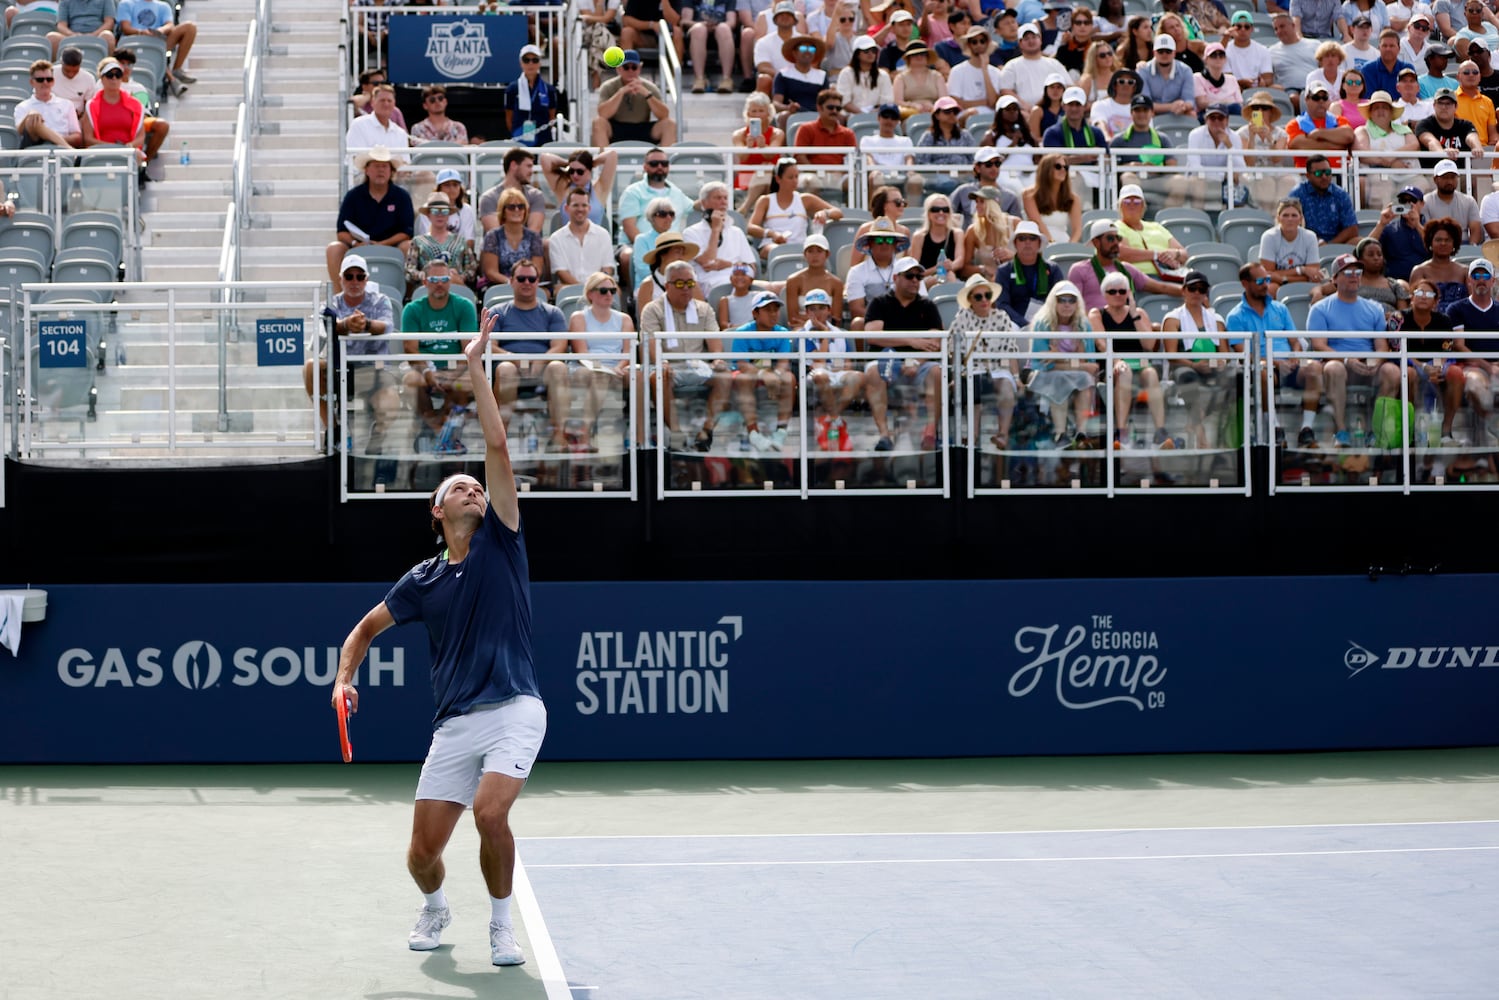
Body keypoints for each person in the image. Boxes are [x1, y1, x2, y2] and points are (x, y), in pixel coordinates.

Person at [330, 305, 543, 970]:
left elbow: (498, 448)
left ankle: (503, 924)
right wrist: (344, 676)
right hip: (454, 723)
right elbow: (363, 630)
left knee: (488, 814)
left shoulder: (502, 545)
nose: (475, 490)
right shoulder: (422, 579)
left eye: (478, 487)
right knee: (421, 853)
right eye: (462, 487)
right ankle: (437, 904)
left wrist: (475, 368)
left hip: (514, 707)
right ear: (436, 508)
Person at [1307, 251, 1403, 445]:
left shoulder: (1374, 308)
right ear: (1334, 279)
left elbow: (1382, 346)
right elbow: (1318, 346)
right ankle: (1341, 432)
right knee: (1334, 368)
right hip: (1338, 364)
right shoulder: (1320, 308)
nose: (1354, 276)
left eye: (1357, 272)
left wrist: (1375, 362)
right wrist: (1347, 360)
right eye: (1348, 272)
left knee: (1392, 371)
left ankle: (1375, 432)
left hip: (1367, 366)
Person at [303, 253, 398, 440]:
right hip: (340, 370)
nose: (354, 281)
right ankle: (333, 429)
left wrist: (366, 324)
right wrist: (346, 325)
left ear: (366, 279)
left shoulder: (381, 300)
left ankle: (378, 435)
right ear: (340, 279)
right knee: (311, 367)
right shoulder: (330, 304)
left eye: (360, 276)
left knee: (390, 402)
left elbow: (387, 326)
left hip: (374, 370)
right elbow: (325, 328)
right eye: (349, 276)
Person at [1223, 261, 1319, 446]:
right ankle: (1274, 428)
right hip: (1264, 366)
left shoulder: (1281, 308)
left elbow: (1295, 342)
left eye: (1267, 279)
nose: (1266, 284)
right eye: (1260, 280)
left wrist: (1293, 357)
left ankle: (1306, 430)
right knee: (1263, 371)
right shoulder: (1235, 317)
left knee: (1314, 367)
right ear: (1245, 283)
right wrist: (1277, 363)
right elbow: (1244, 355)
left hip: (1291, 365)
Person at [640, 259, 730, 450]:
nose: (686, 288)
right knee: (658, 376)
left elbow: (715, 342)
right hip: (669, 365)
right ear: (667, 285)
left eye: (690, 283)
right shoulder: (652, 309)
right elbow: (653, 344)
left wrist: (717, 359)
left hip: (697, 365)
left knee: (725, 374)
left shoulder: (703, 308)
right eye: (680, 283)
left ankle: (705, 433)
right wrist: (662, 362)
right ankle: (677, 434)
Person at [487, 259, 573, 447]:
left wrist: (540, 362)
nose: (527, 283)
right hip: (508, 367)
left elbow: (560, 345)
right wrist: (516, 360)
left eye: (532, 279)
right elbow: (490, 345)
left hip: (542, 369)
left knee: (558, 367)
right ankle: (501, 437)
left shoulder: (553, 312)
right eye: (521, 278)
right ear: (511, 281)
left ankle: (559, 435)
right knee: (507, 370)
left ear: (538, 282)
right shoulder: (497, 312)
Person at [863, 256, 945, 451]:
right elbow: (872, 336)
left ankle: (931, 433)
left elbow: (936, 342)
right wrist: (911, 341)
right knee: (873, 371)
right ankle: (884, 435)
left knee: (935, 371)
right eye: (910, 276)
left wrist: (915, 361)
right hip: (886, 363)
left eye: (919, 276)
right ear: (896, 278)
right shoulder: (879, 303)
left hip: (919, 365)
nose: (915, 280)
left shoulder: (928, 305)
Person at [1087, 270, 1172, 449]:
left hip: (1138, 365)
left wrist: (1133, 312)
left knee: (1151, 374)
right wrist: (1117, 361)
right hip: (1111, 367)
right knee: (1124, 372)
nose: (1118, 295)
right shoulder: (1096, 314)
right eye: (1112, 292)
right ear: (1104, 295)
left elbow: (1149, 344)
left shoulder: (1138, 313)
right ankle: (1122, 432)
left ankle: (1160, 431)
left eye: (1122, 291)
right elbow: (1102, 344)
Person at [402, 258, 481, 444]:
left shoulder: (464, 306)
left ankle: (444, 426)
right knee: (410, 381)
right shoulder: (412, 309)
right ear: (424, 282)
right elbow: (410, 349)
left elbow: (468, 349)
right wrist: (429, 373)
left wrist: (452, 375)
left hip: (456, 369)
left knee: (468, 383)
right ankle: (436, 428)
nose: (440, 284)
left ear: (450, 281)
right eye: (434, 280)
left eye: (444, 279)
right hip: (424, 370)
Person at [567, 270, 642, 444]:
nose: (609, 294)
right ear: (590, 294)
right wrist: (605, 368)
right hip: (587, 367)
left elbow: (628, 353)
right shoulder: (578, 317)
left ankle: (640, 437)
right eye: (603, 291)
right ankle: (585, 433)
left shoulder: (624, 319)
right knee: (601, 376)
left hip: (618, 367)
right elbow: (581, 353)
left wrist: (619, 367)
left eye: (612, 291)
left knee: (638, 376)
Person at [1390, 276, 1465, 445]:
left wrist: (1436, 368)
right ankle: (1409, 430)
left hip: (1435, 363)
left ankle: (1446, 431)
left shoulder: (1444, 320)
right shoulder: (1398, 318)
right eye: (1420, 292)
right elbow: (1398, 349)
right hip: (1408, 363)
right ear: (1411, 297)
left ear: (1436, 302)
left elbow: (1445, 349)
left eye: (1429, 294)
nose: (1424, 296)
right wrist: (1423, 367)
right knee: (1408, 374)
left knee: (1455, 373)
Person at [1025, 280, 1100, 447]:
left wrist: (1059, 357)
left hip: (1072, 372)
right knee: (1060, 378)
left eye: (1071, 300)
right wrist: (1075, 362)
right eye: (1062, 300)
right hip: (1044, 374)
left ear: (1077, 303)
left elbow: (1089, 363)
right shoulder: (1042, 323)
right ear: (1054, 302)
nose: (1067, 304)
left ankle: (1082, 432)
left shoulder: (1083, 324)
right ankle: (1061, 433)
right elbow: (1044, 362)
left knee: (1085, 380)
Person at [952, 273, 1023, 449]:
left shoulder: (1002, 317)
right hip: (972, 370)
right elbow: (953, 351)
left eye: (987, 295)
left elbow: (1010, 350)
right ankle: (973, 435)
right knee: (973, 387)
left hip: (998, 369)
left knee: (1006, 387)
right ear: (970, 300)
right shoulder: (962, 318)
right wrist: (954, 376)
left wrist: (1016, 377)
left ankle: (1003, 435)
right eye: (979, 296)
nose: (984, 300)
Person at [327, 146, 414, 287]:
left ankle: (407, 296)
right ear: (367, 170)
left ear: (391, 171)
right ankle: (339, 296)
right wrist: (356, 243)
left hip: (392, 246)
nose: (380, 170)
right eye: (376, 166)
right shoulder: (353, 196)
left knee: (409, 247)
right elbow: (342, 231)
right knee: (334, 248)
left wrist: (382, 244)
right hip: (358, 246)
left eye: (384, 166)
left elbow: (406, 232)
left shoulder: (402, 197)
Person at [1068, 218, 1181, 312]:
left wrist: (1192, 291)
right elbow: (1074, 307)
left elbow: (1162, 287)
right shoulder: (1079, 270)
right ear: (1096, 242)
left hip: (1125, 327)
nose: (1116, 243)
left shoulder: (1127, 269)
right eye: (1110, 238)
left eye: (1118, 238)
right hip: (1094, 329)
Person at [746, 156, 843, 258]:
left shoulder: (805, 199)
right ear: (778, 179)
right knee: (777, 251)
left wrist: (825, 213)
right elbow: (751, 227)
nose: (795, 181)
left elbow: (838, 212)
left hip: (800, 248)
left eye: (797, 177)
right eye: (790, 177)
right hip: (772, 246)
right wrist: (772, 234)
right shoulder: (765, 201)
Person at [682, 180, 759, 291]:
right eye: (718, 198)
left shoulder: (736, 232)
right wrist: (715, 230)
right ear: (704, 203)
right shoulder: (691, 233)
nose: (723, 202)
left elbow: (751, 267)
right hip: (711, 284)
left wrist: (729, 264)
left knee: (777, 287)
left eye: (725, 198)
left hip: (740, 282)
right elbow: (707, 262)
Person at [593, 49, 679, 146]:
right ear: (619, 69)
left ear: (639, 68)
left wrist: (646, 94)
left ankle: (663, 160)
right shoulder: (608, 86)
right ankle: (604, 159)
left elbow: (664, 115)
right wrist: (621, 92)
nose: (630, 71)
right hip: (616, 128)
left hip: (642, 128)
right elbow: (603, 114)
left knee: (669, 125)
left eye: (634, 67)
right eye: (626, 67)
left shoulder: (650, 87)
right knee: (599, 122)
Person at [1354, 89, 1421, 207]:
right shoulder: (1362, 130)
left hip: (1408, 174)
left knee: (1422, 186)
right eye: (1376, 108)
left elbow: (1414, 146)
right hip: (1378, 175)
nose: (1381, 111)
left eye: (1385, 107)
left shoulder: (1404, 129)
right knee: (1382, 190)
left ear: (1391, 112)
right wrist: (1391, 163)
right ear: (1370, 112)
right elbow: (1363, 153)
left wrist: (1392, 156)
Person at [845, 217, 915, 326]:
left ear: (895, 244)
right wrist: (886, 321)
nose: (884, 244)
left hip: (906, 322)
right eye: (879, 240)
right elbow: (856, 309)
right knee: (857, 323)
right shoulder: (856, 272)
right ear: (870, 244)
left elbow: (921, 301)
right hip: (873, 324)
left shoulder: (909, 269)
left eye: (889, 240)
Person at [117, 0, 196, 92]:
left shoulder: (163, 6)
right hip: (134, 43)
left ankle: (176, 69)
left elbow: (170, 25)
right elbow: (126, 28)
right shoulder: (126, 4)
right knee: (152, 52)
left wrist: (160, 31)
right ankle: (171, 79)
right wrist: (141, 32)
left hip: (157, 41)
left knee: (190, 27)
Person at [407, 192, 477, 292]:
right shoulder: (418, 241)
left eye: (444, 211)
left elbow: (472, 268)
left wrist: (460, 277)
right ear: (428, 215)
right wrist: (425, 275)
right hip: (427, 290)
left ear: (449, 215)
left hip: (456, 288)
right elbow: (409, 270)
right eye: (435, 211)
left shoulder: (460, 241)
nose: (440, 215)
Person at [996, 220, 1063, 325]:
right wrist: (1023, 323)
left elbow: (1059, 300)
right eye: (1022, 238)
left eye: (1032, 238)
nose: (1027, 242)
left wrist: (1043, 323)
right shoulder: (1004, 271)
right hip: (1014, 325)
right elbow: (1002, 305)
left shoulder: (1052, 269)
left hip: (1047, 322)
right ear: (1015, 243)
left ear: (1039, 243)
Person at [549, 186, 616, 291]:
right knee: (559, 290)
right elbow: (561, 273)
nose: (580, 209)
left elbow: (607, 268)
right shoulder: (556, 238)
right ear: (566, 208)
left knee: (616, 292)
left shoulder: (603, 235)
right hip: (570, 288)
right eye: (575, 205)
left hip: (599, 288)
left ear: (589, 208)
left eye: (584, 205)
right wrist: (585, 290)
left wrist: (595, 287)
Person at [480, 189, 546, 292]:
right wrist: (512, 283)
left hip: (528, 285)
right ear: (503, 211)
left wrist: (523, 283)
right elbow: (491, 272)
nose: (517, 210)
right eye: (511, 207)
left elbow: (537, 270)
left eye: (521, 207)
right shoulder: (493, 236)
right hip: (499, 287)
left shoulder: (534, 237)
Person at [1115, 182, 1186, 277]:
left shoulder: (1156, 226)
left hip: (1169, 275)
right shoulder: (1116, 227)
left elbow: (1184, 254)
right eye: (1127, 202)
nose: (1132, 205)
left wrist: (1174, 254)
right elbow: (1122, 253)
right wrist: (1157, 255)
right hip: (1138, 278)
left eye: (1137, 202)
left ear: (1143, 207)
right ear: (1120, 207)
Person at [732, 92, 788, 213]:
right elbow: (743, 157)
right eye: (754, 111)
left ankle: (745, 208)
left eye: (761, 111)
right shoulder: (739, 134)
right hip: (746, 177)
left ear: (768, 113)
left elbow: (771, 155)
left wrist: (763, 146)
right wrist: (749, 147)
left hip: (772, 177)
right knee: (765, 171)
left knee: (766, 169)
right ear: (748, 113)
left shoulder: (777, 133)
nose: (757, 115)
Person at [1285, 154, 1360, 244]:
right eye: (1318, 173)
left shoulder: (1341, 195)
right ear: (1308, 175)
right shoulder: (1297, 194)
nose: (1324, 177)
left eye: (1327, 172)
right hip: (1305, 243)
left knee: (1358, 242)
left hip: (1336, 243)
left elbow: (1352, 229)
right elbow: (1288, 225)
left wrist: (1329, 246)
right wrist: (1314, 242)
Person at [540, 148, 618, 228]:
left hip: (593, 238)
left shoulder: (599, 188)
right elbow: (544, 158)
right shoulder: (563, 188)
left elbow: (612, 155)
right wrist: (568, 164)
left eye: (580, 171)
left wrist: (592, 163)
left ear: (589, 170)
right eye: (571, 171)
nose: (575, 175)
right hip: (568, 238)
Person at [999, 23, 1068, 112]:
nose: (1031, 41)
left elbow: (1069, 85)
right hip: (1024, 112)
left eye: (1034, 37)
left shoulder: (1054, 64)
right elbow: (1006, 90)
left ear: (1040, 39)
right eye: (1026, 39)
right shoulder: (1012, 66)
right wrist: (1026, 107)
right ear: (1020, 43)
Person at [15, 59, 82, 149]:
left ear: (53, 81)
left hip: (60, 150)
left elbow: (77, 137)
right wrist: (29, 115)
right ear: (32, 82)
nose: (45, 83)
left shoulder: (67, 104)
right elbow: (20, 131)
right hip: (34, 148)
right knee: (33, 118)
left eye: (49, 79)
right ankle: (70, 150)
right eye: (40, 80)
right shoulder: (23, 106)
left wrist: (51, 138)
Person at [1411, 217, 1473, 314]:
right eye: (1438, 240)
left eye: (1447, 240)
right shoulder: (1419, 271)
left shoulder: (1465, 271)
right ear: (1430, 242)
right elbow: (1413, 305)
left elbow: (1473, 302)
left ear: (1454, 244)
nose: (1443, 243)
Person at [478, 148, 547, 235]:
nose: (531, 171)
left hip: (529, 247)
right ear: (513, 165)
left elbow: (534, 232)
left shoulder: (536, 196)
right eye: (528, 166)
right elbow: (495, 236)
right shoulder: (489, 198)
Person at [863, 103, 921, 201]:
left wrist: (910, 172)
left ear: (898, 121)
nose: (889, 120)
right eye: (885, 116)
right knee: (876, 177)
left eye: (893, 117)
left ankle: (911, 213)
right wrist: (875, 171)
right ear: (879, 118)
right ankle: (875, 212)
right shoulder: (867, 140)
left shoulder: (905, 141)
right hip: (878, 175)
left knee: (916, 179)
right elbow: (869, 159)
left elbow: (909, 160)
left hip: (901, 174)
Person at [784, 233, 845, 326]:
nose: (815, 255)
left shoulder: (836, 283)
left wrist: (813, 322)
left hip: (828, 331)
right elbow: (793, 319)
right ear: (805, 254)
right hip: (801, 330)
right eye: (810, 251)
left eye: (819, 251)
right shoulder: (793, 280)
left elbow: (836, 319)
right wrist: (820, 320)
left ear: (827, 254)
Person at [772, 33, 831, 127]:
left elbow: (826, 101)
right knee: (784, 117)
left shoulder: (821, 76)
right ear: (794, 53)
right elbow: (776, 102)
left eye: (812, 49)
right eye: (803, 48)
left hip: (816, 114)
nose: (808, 52)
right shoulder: (783, 74)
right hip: (792, 114)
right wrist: (788, 107)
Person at [909, 192, 966, 288]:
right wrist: (938, 268)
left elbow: (960, 260)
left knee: (949, 275)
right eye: (935, 210)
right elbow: (915, 271)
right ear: (928, 213)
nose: (941, 213)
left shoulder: (957, 234)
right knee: (946, 276)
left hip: (953, 277)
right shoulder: (919, 237)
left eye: (945, 210)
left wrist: (950, 266)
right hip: (926, 280)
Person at [344, 84, 410, 168]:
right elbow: (355, 159)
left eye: (389, 101)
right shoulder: (358, 125)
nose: (386, 104)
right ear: (372, 103)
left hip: (393, 179)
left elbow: (405, 163)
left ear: (394, 104)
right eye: (382, 100)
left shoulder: (401, 133)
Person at [1023, 152, 1082, 244]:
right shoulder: (1029, 194)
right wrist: (1051, 244)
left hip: (1064, 245)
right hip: (1039, 244)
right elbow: (1038, 224)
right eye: (1058, 166)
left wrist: (1070, 247)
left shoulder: (1073, 198)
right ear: (1046, 169)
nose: (1063, 170)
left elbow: (1077, 229)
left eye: (1066, 167)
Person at [1271, 12, 1323, 113]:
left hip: (1314, 86)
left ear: (1293, 25)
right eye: (1276, 29)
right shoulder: (1271, 52)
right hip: (1289, 89)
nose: (1279, 31)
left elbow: (1323, 68)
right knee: (1294, 99)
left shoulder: (1314, 44)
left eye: (1282, 26)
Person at [1374, 185, 1429, 280]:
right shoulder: (1390, 228)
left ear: (1422, 204)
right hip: (1395, 281)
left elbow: (1435, 249)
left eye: (1412, 200)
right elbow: (1365, 248)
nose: (1408, 204)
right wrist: (1381, 224)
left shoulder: (1430, 227)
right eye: (1403, 201)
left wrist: (1417, 225)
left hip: (1425, 281)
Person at [1426, 159, 1484, 245]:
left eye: (1453, 177)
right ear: (1435, 179)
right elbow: (1426, 231)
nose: (1449, 181)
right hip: (1437, 246)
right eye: (1445, 177)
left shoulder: (1468, 201)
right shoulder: (1426, 201)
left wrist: (1472, 248)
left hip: (1463, 245)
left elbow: (1475, 229)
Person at [686, 0, 737, 95]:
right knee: (699, 29)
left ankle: (727, 79)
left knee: (724, 28)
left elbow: (732, 21)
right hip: (697, 32)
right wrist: (703, 25)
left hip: (721, 32)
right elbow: (685, 20)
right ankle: (699, 79)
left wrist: (716, 26)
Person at [837, 36, 895, 114]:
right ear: (857, 54)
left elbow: (886, 101)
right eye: (866, 51)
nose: (871, 53)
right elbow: (844, 101)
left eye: (874, 50)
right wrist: (862, 113)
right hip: (850, 116)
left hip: (877, 116)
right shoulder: (846, 73)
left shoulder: (883, 75)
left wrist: (872, 113)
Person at [47, 0, 115, 58]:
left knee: (108, 36)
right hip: (71, 36)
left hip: (97, 35)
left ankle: (105, 68)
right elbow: (61, 25)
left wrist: (93, 34)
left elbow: (109, 22)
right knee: (52, 37)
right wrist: (72, 34)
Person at [1455, 58, 1499, 147]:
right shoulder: (1450, 100)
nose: (1471, 75)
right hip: (1459, 150)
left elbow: (1493, 134)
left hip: (1484, 151)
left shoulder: (1487, 101)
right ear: (1458, 77)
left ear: (1480, 77)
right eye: (1466, 72)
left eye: (1475, 72)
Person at [1090, 67, 1144, 140]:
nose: (1126, 84)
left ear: (1135, 88)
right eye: (1121, 81)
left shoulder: (1142, 108)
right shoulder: (1100, 105)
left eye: (1130, 82)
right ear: (1114, 85)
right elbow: (1100, 124)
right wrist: (1106, 138)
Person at [1196, 43, 1245, 117]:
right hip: (1209, 114)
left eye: (1221, 55)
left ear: (1225, 59)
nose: (1218, 58)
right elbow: (1201, 104)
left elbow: (1239, 103)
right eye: (1213, 55)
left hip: (1232, 113)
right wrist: (1226, 103)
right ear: (1206, 59)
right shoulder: (1198, 77)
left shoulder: (1232, 79)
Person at [1363, 27, 1414, 96]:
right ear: (1379, 48)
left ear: (1399, 49)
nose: (1388, 49)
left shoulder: (1408, 69)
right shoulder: (1368, 69)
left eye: (1392, 46)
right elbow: (1368, 98)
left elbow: (1413, 96)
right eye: (1384, 46)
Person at [52, 47, 96, 117]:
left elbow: (89, 107)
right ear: (61, 63)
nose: (71, 74)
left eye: (75, 71)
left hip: (77, 119)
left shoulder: (89, 79)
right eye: (67, 71)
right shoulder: (50, 74)